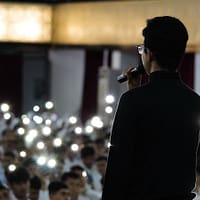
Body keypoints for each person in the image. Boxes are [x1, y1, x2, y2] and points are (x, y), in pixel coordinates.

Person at [102, 16, 200, 200]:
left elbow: (118, 167)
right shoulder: (194, 102)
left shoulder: (132, 101)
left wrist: (134, 95)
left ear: (150, 54)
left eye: (142, 49)